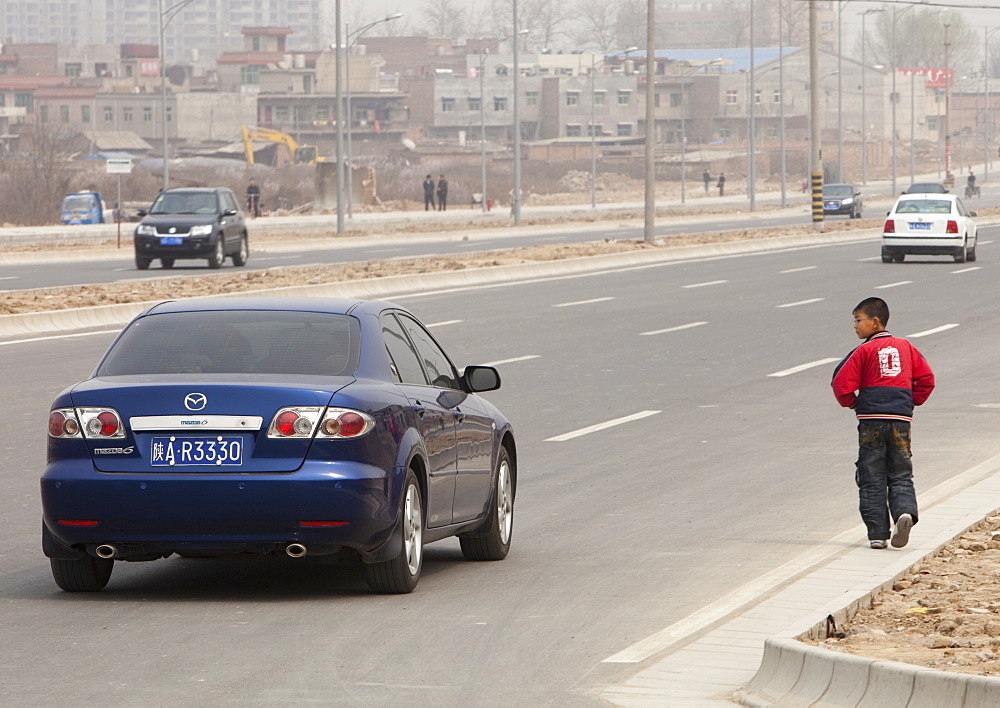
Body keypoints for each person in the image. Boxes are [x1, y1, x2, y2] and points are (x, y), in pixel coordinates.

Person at [831, 297, 935, 550]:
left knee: (871, 475)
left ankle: (877, 534)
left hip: (871, 422)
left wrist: (855, 405)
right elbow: (926, 380)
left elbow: (840, 384)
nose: (855, 326)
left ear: (875, 321)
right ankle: (904, 513)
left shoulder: (863, 351)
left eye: (858, 320)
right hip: (900, 421)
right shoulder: (906, 347)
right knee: (900, 472)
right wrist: (909, 403)